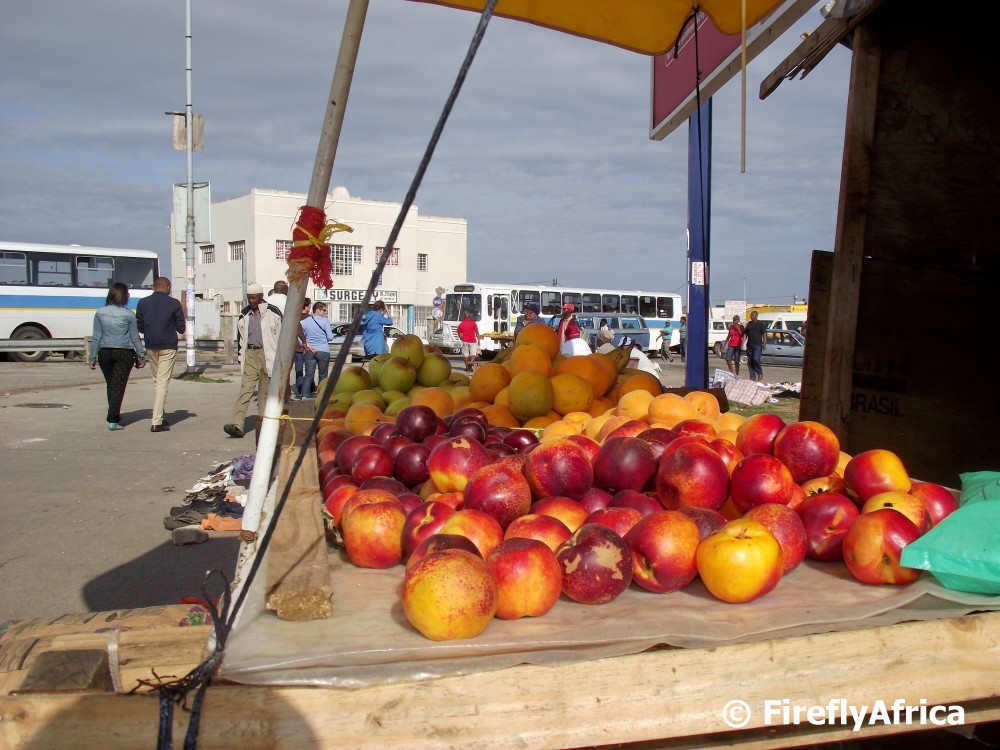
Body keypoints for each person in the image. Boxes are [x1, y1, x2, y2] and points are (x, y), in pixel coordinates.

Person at [224, 283, 283, 438]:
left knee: (264, 392)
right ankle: (236, 424)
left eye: (254, 298)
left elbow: (282, 336)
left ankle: (264, 424)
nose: (251, 301)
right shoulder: (244, 314)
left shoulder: (273, 312)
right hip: (250, 353)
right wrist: (240, 357)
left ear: (261, 296)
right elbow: (240, 339)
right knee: (245, 389)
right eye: (249, 298)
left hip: (268, 354)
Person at [88, 282, 145, 431]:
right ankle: (112, 419)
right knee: (118, 386)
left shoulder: (100, 313)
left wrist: (92, 357)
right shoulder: (129, 314)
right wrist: (141, 356)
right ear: (124, 296)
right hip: (124, 353)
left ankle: (115, 414)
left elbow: (96, 337)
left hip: (105, 353)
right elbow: (135, 338)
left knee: (112, 385)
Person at [135, 276, 185, 432]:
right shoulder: (174, 303)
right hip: (168, 346)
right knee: (163, 382)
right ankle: (157, 421)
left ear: (153, 287)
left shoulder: (143, 303)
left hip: (151, 345)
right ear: (168, 287)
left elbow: (140, 326)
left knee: (157, 380)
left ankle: (160, 414)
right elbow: (181, 328)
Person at [298, 301, 335, 398]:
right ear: (317, 310)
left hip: (309, 350)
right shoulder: (325, 321)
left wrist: (309, 345)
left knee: (309, 374)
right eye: (324, 310)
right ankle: (321, 395)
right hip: (323, 350)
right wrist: (322, 339)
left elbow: (299, 337)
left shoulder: (304, 322)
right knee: (323, 375)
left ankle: (304, 395)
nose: (325, 312)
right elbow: (330, 337)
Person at [743, 310, 767, 382]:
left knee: (756, 359)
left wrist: (765, 343)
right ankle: (752, 376)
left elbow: (764, 334)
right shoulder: (749, 324)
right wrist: (743, 342)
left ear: (756, 316)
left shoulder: (760, 324)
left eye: (753, 315)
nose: (752, 316)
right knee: (750, 361)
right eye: (751, 315)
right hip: (749, 345)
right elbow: (745, 334)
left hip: (757, 345)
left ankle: (760, 372)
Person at [294, 297, 311, 398]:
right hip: (308, 346)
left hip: (297, 346)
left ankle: (300, 389)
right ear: (306, 306)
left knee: (298, 369)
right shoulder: (310, 318)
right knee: (309, 370)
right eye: (309, 305)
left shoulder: (295, 317)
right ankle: (308, 388)